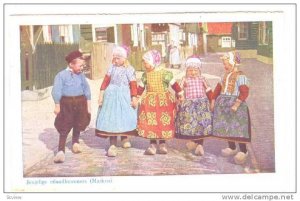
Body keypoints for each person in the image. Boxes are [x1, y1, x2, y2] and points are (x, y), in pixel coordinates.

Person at [137, 50, 183, 155]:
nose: (144, 64)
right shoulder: (145, 75)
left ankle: (162, 144)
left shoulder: (165, 74)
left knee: (163, 122)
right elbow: (141, 87)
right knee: (151, 122)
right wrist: (137, 96)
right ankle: (152, 145)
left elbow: (174, 85)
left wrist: (180, 93)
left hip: (164, 102)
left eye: (146, 62)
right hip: (150, 102)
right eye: (143, 62)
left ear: (153, 61)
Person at [95, 45, 138, 157]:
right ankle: (112, 143)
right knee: (112, 119)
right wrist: (101, 95)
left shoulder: (129, 69)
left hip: (124, 95)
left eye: (118, 58)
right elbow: (105, 82)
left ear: (124, 58)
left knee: (123, 117)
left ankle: (124, 138)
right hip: (111, 96)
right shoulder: (111, 68)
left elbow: (133, 84)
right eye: (114, 58)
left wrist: (134, 97)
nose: (115, 60)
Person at [211, 51, 251, 165]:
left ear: (233, 63)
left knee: (238, 128)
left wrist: (237, 104)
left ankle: (243, 151)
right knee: (227, 127)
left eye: (226, 63)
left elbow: (244, 92)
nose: (225, 66)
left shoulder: (241, 76)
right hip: (223, 105)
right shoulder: (223, 76)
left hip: (236, 105)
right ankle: (232, 147)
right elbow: (217, 89)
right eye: (224, 63)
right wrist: (213, 100)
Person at [52, 50, 91, 163]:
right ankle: (60, 151)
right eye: (80, 65)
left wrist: (88, 105)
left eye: (82, 65)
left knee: (78, 123)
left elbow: (86, 89)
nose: (81, 68)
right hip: (66, 104)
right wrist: (57, 105)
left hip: (80, 102)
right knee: (64, 125)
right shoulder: (61, 76)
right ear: (71, 64)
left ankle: (75, 143)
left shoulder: (81, 75)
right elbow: (56, 91)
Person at [175, 56, 213, 156]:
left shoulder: (202, 79)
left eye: (195, 70)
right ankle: (194, 141)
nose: (193, 73)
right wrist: (179, 99)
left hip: (201, 105)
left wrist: (211, 100)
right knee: (191, 124)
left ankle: (200, 145)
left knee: (201, 124)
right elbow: (179, 90)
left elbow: (208, 90)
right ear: (187, 70)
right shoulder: (184, 79)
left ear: (199, 70)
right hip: (189, 105)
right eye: (190, 70)